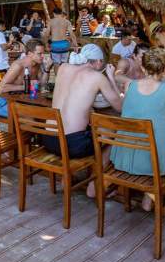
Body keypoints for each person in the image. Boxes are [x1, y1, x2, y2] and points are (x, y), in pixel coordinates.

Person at [110, 47, 165, 215]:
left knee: (155, 148)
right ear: (164, 69)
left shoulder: (129, 85)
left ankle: (149, 200)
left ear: (143, 67)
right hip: (154, 164)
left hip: (126, 158)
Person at [49, 43, 123, 197]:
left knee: (87, 129)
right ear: (98, 62)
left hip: (49, 139)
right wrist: (111, 77)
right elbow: (120, 107)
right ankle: (94, 186)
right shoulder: (96, 77)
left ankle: (66, 179)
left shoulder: (63, 68)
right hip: (71, 145)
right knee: (111, 134)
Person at [0, 40, 51, 118]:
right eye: (39, 54)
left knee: (45, 112)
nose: (43, 56)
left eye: (43, 53)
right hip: (2, 103)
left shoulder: (37, 64)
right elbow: (2, 88)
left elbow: (42, 84)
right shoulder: (18, 65)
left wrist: (47, 69)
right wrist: (27, 86)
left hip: (20, 101)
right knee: (31, 116)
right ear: (30, 54)